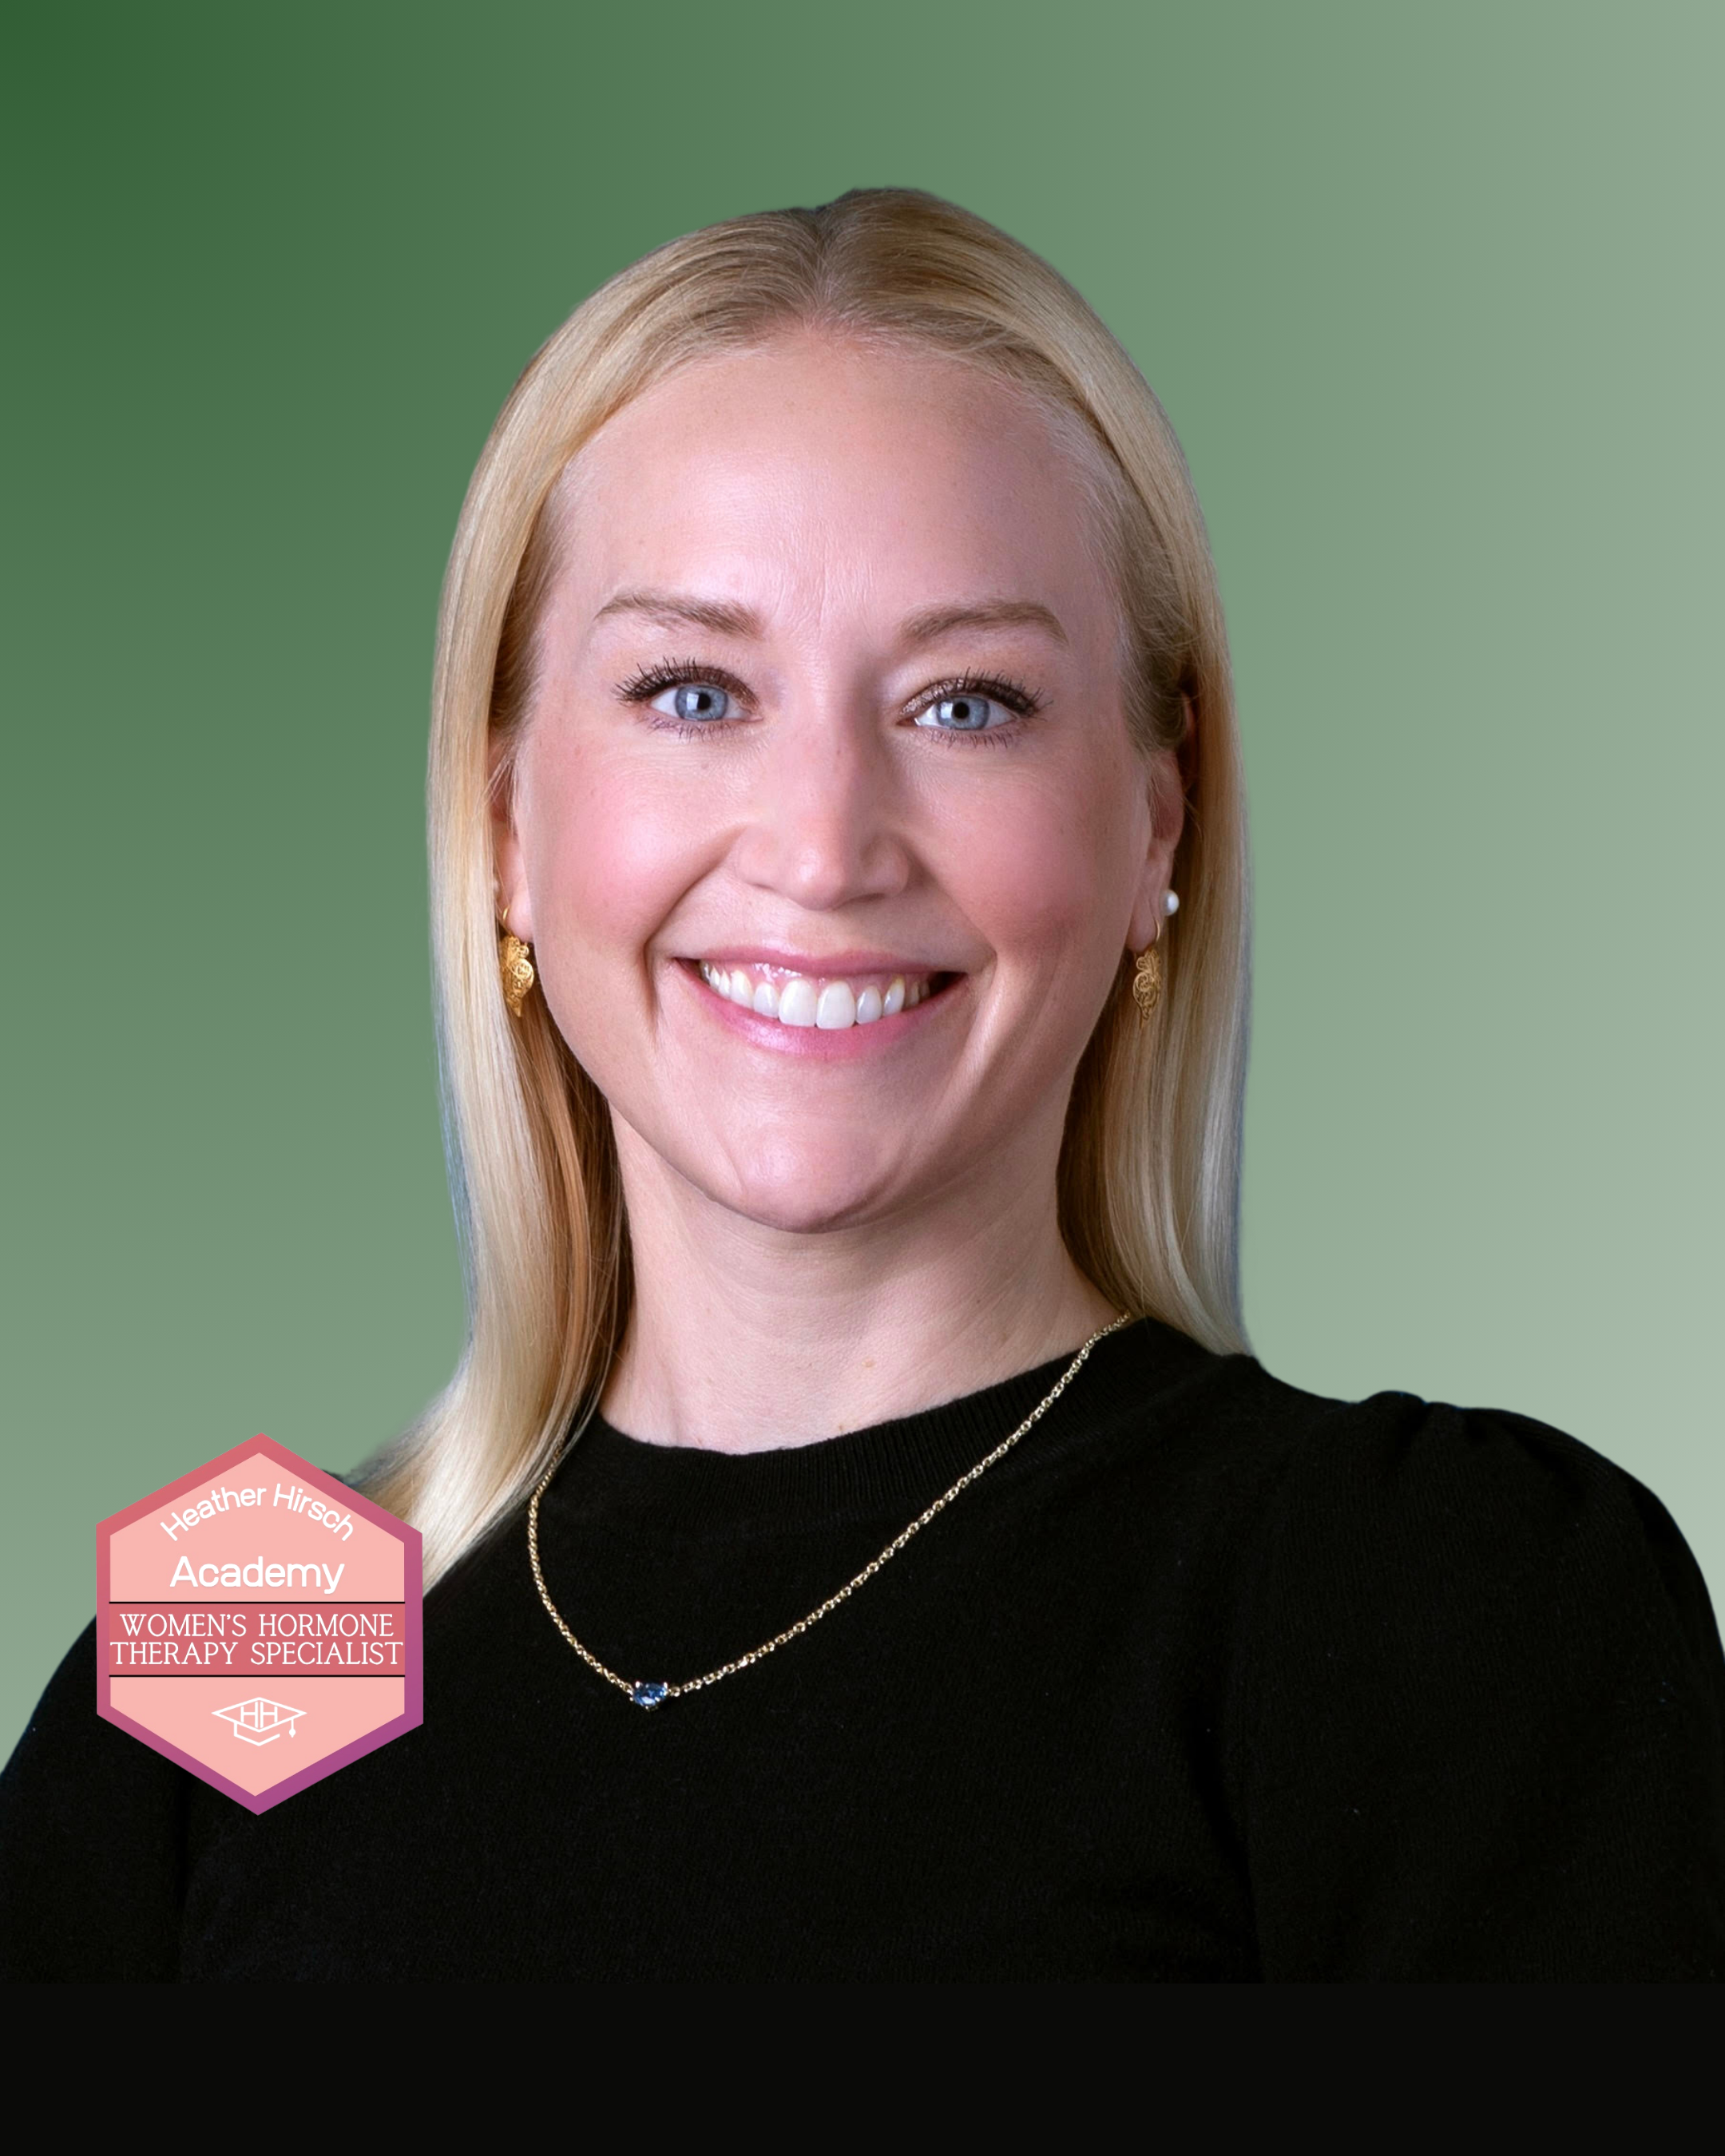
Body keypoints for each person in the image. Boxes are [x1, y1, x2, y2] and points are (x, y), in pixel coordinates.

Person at [3, 189, 1721, 1981]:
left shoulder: (1430, 1594)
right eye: (690, 691)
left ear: (1159, 821)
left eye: (966, 702)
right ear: (505, 818)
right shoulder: (249, 1622)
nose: (824, 848)